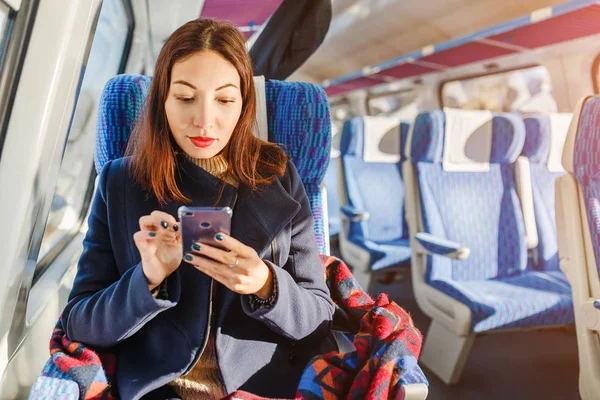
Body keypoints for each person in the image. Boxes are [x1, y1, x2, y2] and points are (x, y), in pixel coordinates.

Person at [61, 18, 335, 400]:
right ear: (163, 100)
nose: (205, 120)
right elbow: (79, 322)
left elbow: (319, 317)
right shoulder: (120, 183)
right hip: (158, 388)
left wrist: (265, 284)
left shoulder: (279, 175)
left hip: (260, 387)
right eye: (186, 97)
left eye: (224, 99)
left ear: (243, 104)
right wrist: (148, 278)